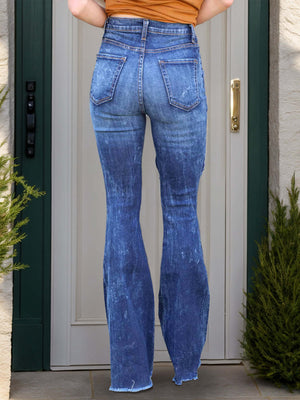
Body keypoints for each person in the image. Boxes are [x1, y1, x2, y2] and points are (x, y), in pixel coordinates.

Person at [68, 0, 234, 393]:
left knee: (121, 210)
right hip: (177, 57)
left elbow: (77, 7)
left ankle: (130, 372)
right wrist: (183, 18)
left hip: (115, 60)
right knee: (181, 210)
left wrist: (119, 22)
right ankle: (185, 365)